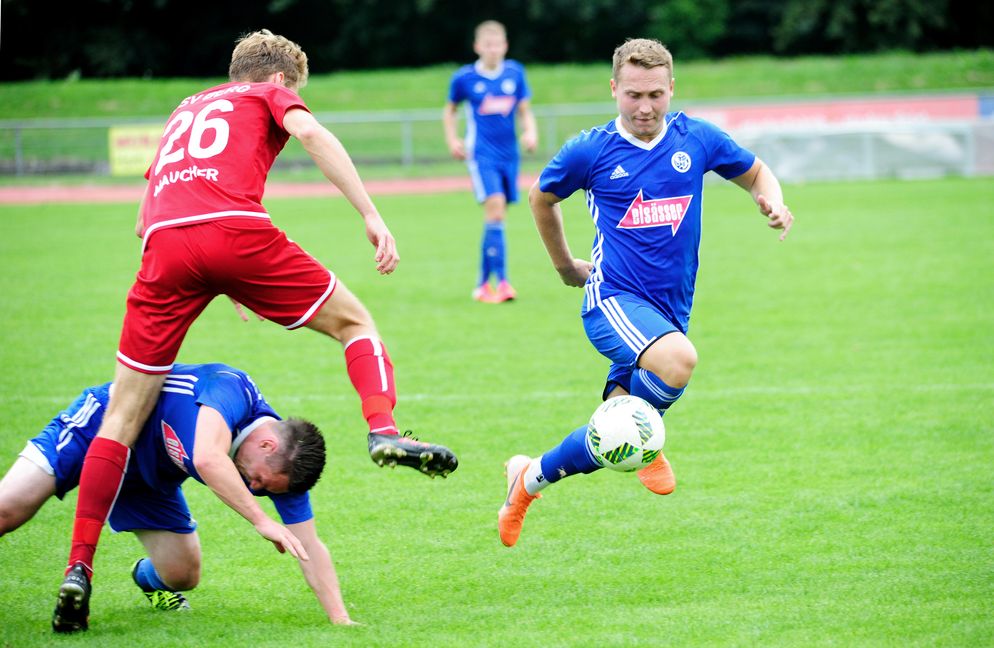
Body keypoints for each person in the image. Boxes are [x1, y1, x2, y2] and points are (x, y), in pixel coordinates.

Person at [52, 29, 457, 632]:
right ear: (280, 81)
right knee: (355, 323)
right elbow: (313, 134)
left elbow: (146, 218)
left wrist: (212, 281)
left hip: (166, 248)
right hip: (236, 232)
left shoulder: (184, 109)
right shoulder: (267, 94)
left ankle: (79, 567)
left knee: (121, 416)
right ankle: (383, 430)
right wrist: (371, 216)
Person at [498, 38, 794, 547]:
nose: (645, 107)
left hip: (669, 309)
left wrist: (773, 201)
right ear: (614, 89)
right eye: (633, 95)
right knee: (679, 361)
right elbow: (540, 197)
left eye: (656, 94)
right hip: (611, 300)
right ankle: (649, 445)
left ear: (671, 88)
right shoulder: (591, 150)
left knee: (614, 429)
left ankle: (527, 480)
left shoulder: (695, 139)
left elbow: (756, 172)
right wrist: (565, 265)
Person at [0, 362, 354, 631]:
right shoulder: (233, 389)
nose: (256, 489)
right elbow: (206, 457)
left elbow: (308, 546)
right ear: (266, 444)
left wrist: (340, 620)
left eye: (263, 490)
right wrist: (262, 521)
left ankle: (146, 579)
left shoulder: (283, 472)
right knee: (8, 510)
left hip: (149, 478)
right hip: (100, 426)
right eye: (260, 481)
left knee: (184, 574)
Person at [443, 20, 538, 303]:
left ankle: (482, 284)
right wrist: (453, 139)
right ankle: (504, 283)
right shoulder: (465, 78)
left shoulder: (515, 73)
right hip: (482, 154)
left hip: (510, 155)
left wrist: (530, 131)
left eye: (497, 45)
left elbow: (524, 110)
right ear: (477, 47)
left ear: (505, 46)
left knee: (497, 216)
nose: (493, 50)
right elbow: (449, 111)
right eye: (487, 45)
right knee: (495, 210)